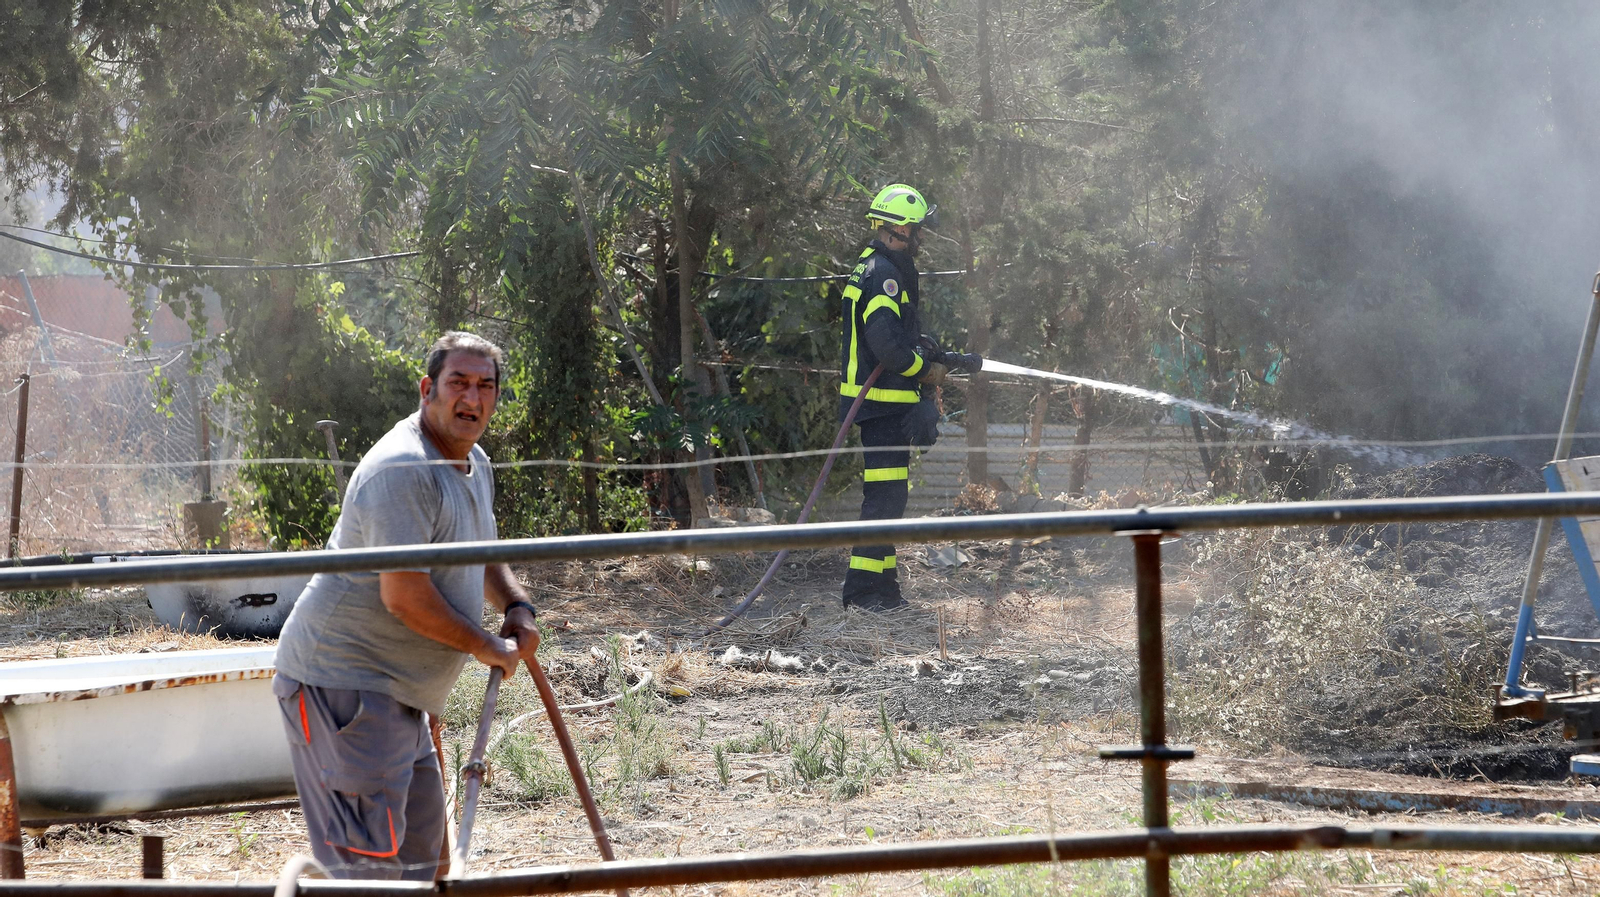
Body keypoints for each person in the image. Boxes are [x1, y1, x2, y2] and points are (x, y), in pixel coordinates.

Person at [271, 331, 540, 880]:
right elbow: (405, 596)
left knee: (427, 866)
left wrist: (515, 604)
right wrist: (486, 645)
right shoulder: (403, 469)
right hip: (346, 689)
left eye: (485, 386)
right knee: (368, 874)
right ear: (427, 390)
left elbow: (484, 551)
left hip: (397, 698)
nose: (472, 398)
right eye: (458, 383)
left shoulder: (474, 460)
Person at [837, 184, 981, 611]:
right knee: (882, 500)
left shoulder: (875, 266)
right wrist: (928, 372)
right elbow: (890, 351)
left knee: (891, 499)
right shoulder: (884, 275)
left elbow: (899, 338)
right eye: (917, 230)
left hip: (881, 402)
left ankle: (884, 590)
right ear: (899, 230)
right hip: (879, 402)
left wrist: (942, 357)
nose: (920, 238)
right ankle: (862, 594)